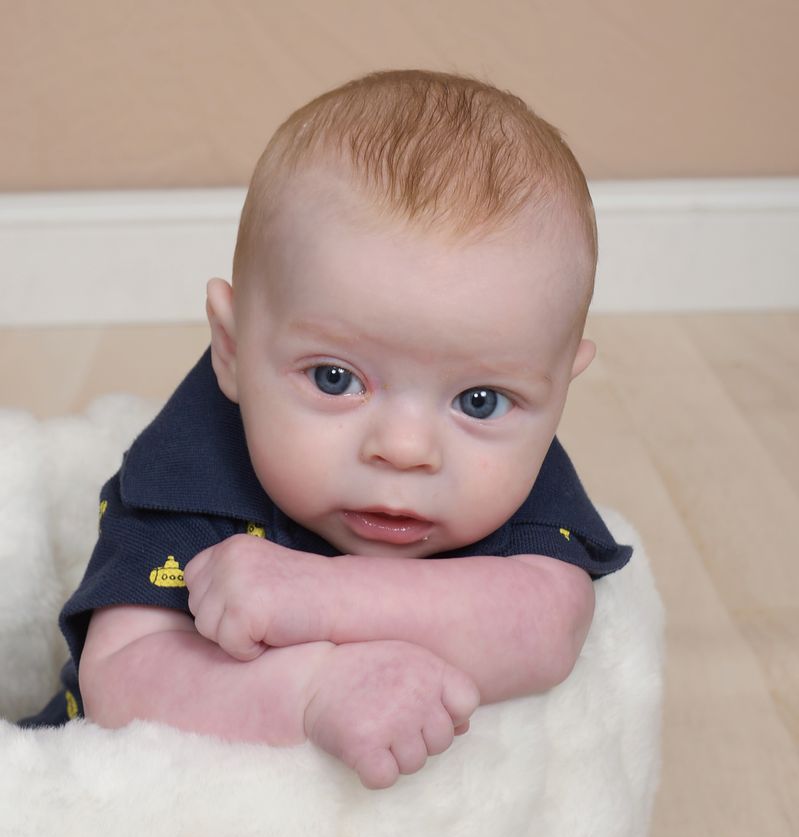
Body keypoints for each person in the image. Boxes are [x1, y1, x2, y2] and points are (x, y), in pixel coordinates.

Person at [20, 70, 632, 789]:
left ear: (558, 387)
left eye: (478, 401)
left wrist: (321, 596)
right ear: (234, 349)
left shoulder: (513, 467)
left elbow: (549, 622)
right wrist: (311, 689)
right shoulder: (190, 469)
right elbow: (119, 679)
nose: (405, 450)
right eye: (335, 378)